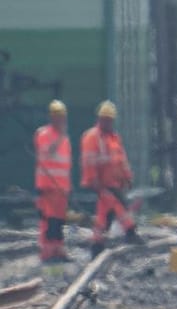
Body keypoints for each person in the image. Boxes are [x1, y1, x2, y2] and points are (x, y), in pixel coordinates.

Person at [80, 100, 139, 255]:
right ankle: (130, 232)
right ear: (99, 119)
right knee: (120, 207)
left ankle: (97, 244)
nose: (108, 122)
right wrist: (94, 182)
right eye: (105, 119)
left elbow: (122, 160)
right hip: (102, 183)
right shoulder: (92, 137)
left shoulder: (114, 137)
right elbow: (89, 161)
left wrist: (128, 177)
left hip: (115, 183)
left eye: (110, 120)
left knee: (104, 214)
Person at [32, 99, 72, 265]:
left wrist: (69, 186)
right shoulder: (44, 134)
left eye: (62, 116)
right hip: (48, 185)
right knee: (49, 218)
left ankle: (58, 249)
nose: (61, 120)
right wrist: (61, 136)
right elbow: (47, 153)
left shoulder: (65, 139)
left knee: (59, 219)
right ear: (52, 117)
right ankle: (48, 252)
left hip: (61, 187)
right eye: (58, 116)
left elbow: (66, 164)